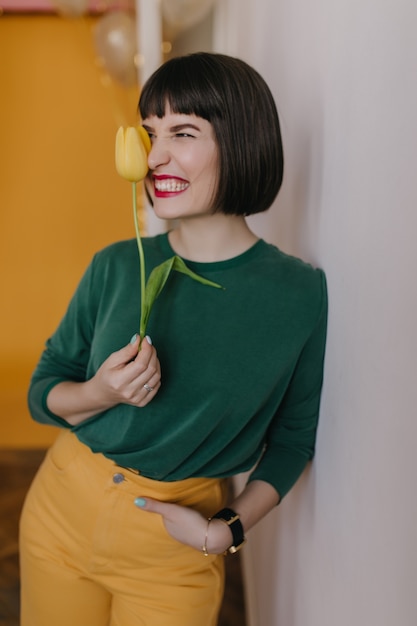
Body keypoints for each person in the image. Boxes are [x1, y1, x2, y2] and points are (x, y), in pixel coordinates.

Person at [20, 52, 327, 626]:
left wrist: (226, 530)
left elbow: (292, 440)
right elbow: (43, 394)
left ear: (241, 143)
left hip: (173, 547)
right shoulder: (115, 266)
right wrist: (102, 393)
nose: (154, 155)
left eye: (182, 132)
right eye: (148, 133)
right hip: (58, 511)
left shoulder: (299, 293)